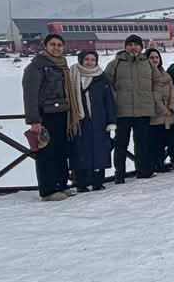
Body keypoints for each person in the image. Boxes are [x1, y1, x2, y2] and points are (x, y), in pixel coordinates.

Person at [22, 34, 80, 201]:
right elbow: (30, 95)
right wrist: (34, 120)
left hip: (63, 114)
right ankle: (48, 190)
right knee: (47, 153)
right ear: (45, 46)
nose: (56, 48)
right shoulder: (36, 67)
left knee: (61, 151)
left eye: (59, 45)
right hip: (46, 116)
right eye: (53, 44)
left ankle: (61, 185)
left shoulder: (62, 65)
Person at [105, 34, 159, 183]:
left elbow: (157, 84)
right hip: (122, 111)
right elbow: (106, 85)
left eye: (136, 44)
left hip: (144, 110)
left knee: (142, 143)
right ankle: (119, 175)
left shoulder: (148, 64)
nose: (133, 47)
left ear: (141, 47)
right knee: (120, 144)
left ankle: (143, 171)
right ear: (125, 46)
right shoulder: (115, 64)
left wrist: (154, 102)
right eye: (130, 44)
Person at [68, 49, 115, 192]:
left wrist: (111, 120)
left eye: (93, 60)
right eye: (87, 59)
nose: (90, 62)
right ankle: (81, 183)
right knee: (80, 151)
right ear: (81, 60)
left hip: (99, 120)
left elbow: (109, 100)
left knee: (99, 151)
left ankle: (98, 182)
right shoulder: (72, 76)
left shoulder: (102, 77)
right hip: (79, 121)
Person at [146, 48, 174, 174]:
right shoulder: (146, 75)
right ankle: (156, 163)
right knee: (155, 142)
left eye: (156, 57)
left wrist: (172, 107)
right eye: (151, 57)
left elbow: (173, 92)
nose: (154, 60)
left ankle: (165, 161)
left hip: (169, 113)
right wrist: (162, 109)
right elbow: (151, 95)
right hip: (155, 114)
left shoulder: (165, 74)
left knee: (168, 140)